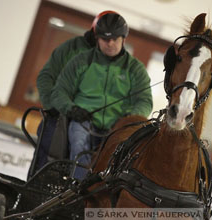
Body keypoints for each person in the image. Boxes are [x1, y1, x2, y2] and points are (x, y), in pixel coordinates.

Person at [51, 11, 153, 180]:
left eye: (115, 39)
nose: (110, 43)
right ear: (97, 39)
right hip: (83, 120)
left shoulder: (136, 69)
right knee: (78, 143)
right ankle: (79, 189)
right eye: (105, 39)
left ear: (123, 39)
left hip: (118, 127)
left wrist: (130, 118)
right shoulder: (81, 61)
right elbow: (59, 92)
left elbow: (145, 101)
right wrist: (72, 109)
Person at [30, 11, 111, 175]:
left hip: (89, 128)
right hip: (57, 121)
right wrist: (52, 105)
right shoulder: (71, 48)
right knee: (43, 170)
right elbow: (46, 77)